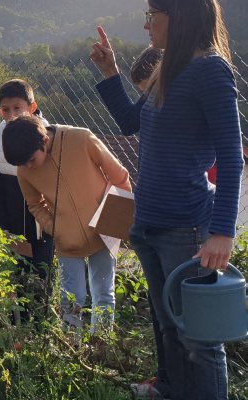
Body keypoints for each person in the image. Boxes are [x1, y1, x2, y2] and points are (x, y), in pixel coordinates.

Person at [90, 0, 242, 397]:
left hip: (186, 229)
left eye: (151, 16)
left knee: (199, 339)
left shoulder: (211, 70)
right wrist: (110, 73)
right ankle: (170, 390)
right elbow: (131, 121)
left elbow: (231, 155)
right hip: (148, 225)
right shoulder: (166, 69)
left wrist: (222, 232)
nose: (146, 26)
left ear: (179, 18)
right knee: (166, 324)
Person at [2, 115, 132, 331]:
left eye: (31, 160)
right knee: (71, 300)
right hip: (67, 242)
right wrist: (55, 229)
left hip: (104, 232)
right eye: (22, 164)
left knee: (104, 294)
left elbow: (120, 177)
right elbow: (35, 205)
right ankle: (72, 349)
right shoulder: (24, 170)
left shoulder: (81, 139)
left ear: (44, 141)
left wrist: (115, 219)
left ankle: (101, 347)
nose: (28, 167)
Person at [0, 79, 54, 324]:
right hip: (11, 227)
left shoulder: (49, 137)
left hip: (45, 225)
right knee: (15, 279)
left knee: (43, 276)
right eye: (6, 110)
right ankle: (16, 330)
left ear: (32, 108)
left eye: (18, 108)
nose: (11, 115)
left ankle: (41, 330)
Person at [126, 45, 172, 399]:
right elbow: (129, 122)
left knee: (176, 314)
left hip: (179, 217)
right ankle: (166, 381)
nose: (145, 101)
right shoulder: (157, 105)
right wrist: (110, 72)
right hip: (150, 216)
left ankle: (177, 383)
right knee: (161, 312)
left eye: (146, 91)